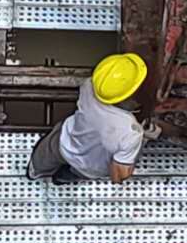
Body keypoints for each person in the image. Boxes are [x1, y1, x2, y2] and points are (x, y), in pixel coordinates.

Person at [27, 52, 147, 184]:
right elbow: (117, 176)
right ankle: (61, 179)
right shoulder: (131, 132)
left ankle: (34, 171)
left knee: (44, 156)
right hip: (89, 167)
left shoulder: (89, 85)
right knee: (71, 174)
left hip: (65, 141)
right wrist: (142, 141)